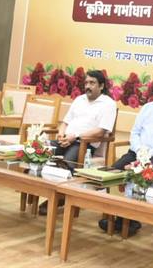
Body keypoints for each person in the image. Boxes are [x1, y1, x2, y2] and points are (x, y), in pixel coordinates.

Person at [98, 72, 153, 235]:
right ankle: (113, 215)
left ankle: (130, 221)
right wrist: (139, 150)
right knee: (112, 172)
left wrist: (149, 153)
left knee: (137, 175)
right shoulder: (147, 108)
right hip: (136, 152)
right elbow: (135, 132)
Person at [38, 70, 117, 215]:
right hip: (66, 139)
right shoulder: (79, 99)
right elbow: (65, 122)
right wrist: (61, 134)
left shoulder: (108, 104)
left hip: (84, 144)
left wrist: (75, 137)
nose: (88, 86)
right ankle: (45, 192)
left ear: (101, 86)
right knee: (41, 151)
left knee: (67, 162)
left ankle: (59, 198)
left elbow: (100, 131)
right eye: (86, 83)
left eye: (92, 83)